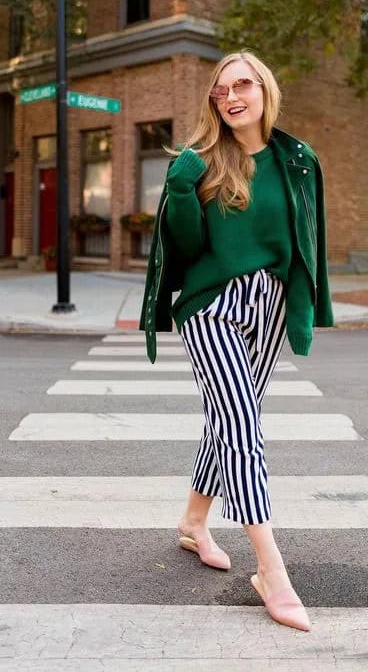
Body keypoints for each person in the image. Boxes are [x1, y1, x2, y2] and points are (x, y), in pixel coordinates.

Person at [139, 50, 334, 631]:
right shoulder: (199, 163)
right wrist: (178, 194)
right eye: (222, 89)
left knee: (227, 422)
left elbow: (310, 240)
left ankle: (194, 523)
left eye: (243, 84)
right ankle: (271, 568)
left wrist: (307, 308)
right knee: (243, 424)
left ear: (264, 89)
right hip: (211, 307)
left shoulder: (297, 160)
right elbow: (188, 249)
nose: (232, 97)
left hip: (269, 305)